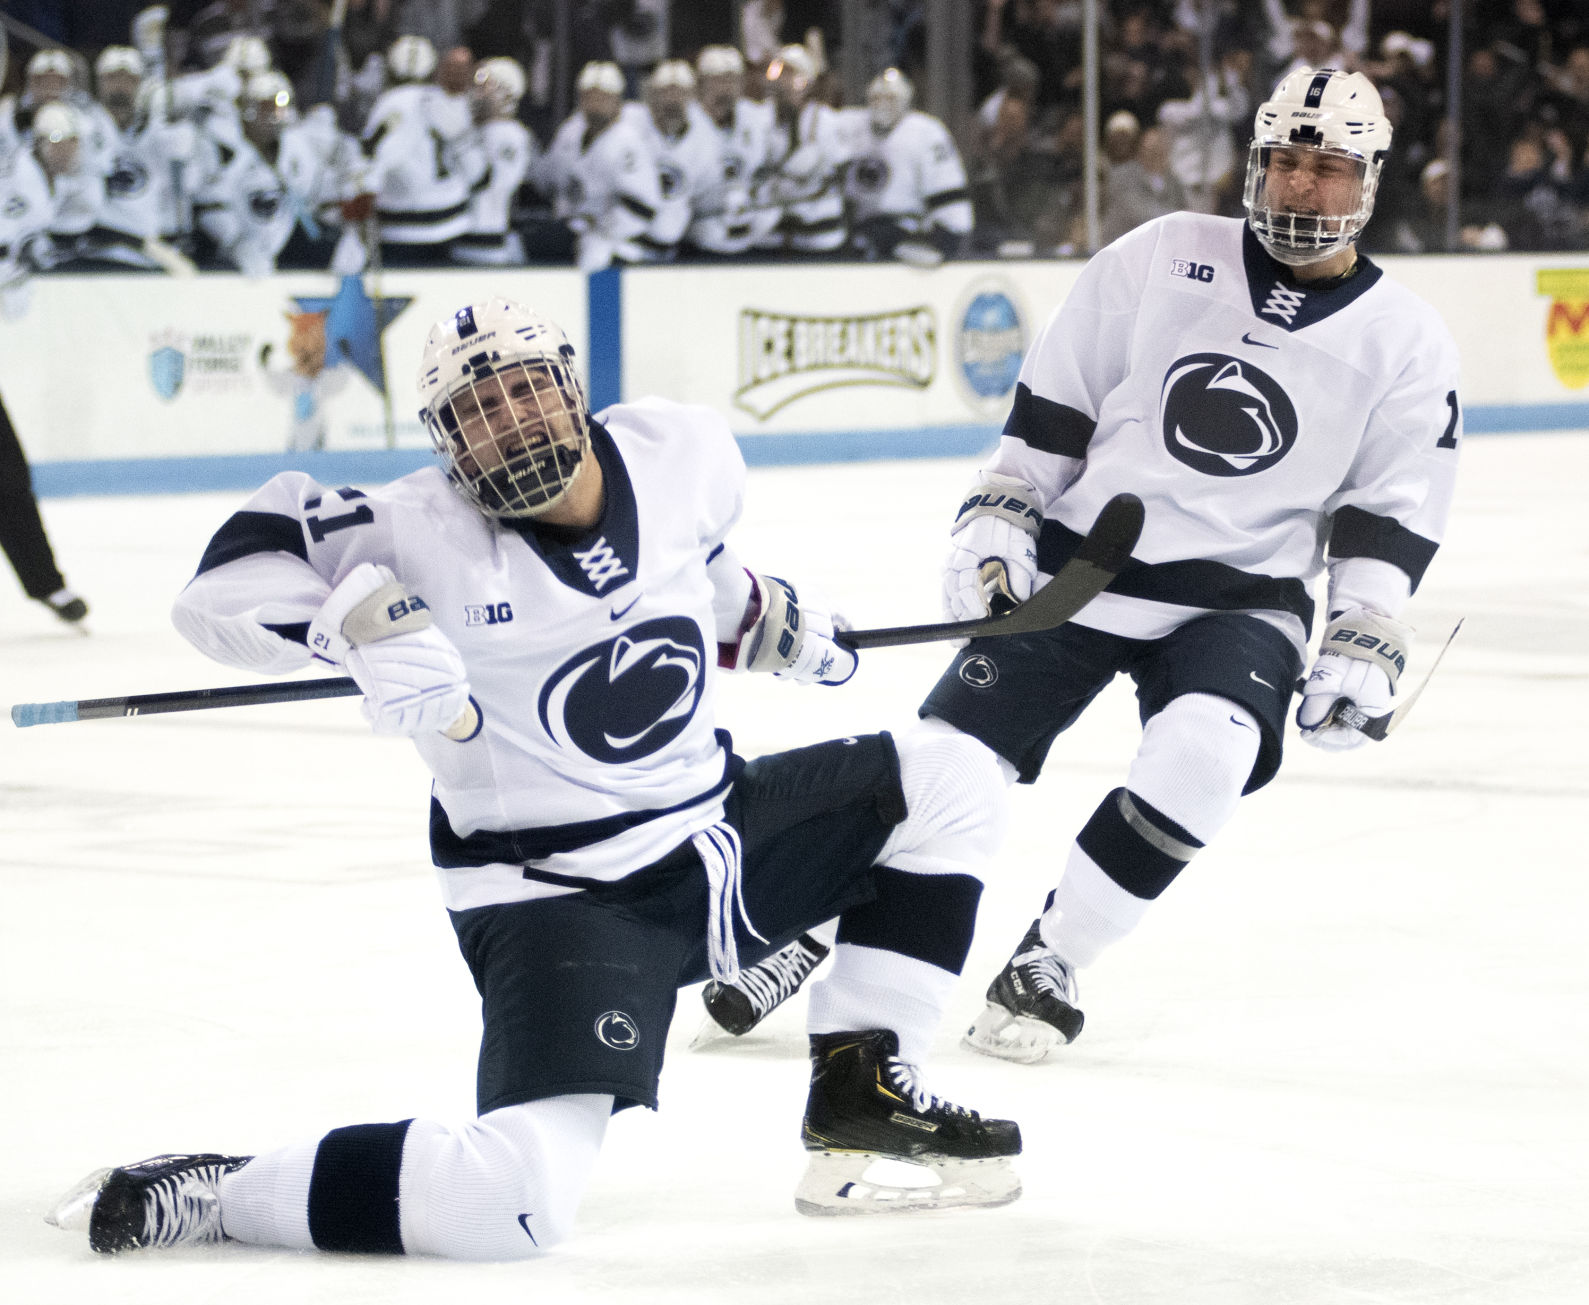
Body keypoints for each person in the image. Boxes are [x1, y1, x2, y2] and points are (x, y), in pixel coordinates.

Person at [46, 296, 1021, 1260]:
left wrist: (765, 618)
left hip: (718, 831)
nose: (506, 423)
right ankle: (223, 1192)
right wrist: (349, 623)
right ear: (443, 440)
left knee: (954, 773)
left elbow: (699, 575)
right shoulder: (408, 530)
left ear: (571, 389)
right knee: (505, 1207)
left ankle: (862, 1086)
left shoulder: (682, 452)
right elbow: (219, 588)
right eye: (474, 412)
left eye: (523, 392)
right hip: (563, 898)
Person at [917, 67, 1463, 1064]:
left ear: (1370, 179)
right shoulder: (1162, 253)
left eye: (1327, 168)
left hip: (1239, 598)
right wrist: (1001, 505)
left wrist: (1364, 624)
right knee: (942, 766)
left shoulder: (1406, 339)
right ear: (1254, 163)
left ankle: (1053, 956)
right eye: (1285, 161)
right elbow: (1055, 406)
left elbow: (1387, 506)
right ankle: (818, 924)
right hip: (1084, 565)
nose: (1300, 187)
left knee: (1205, 755)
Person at [843, 67, 973, 265]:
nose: (882, 105)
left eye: (891, 99)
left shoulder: (926, 132)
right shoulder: (851, 126)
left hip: (908, 236)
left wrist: (946, 240)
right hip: (857, 235)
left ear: (906, 102)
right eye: (877, 98)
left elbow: (950, 198)